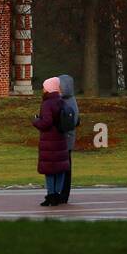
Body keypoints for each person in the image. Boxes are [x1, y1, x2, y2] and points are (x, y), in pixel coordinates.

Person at [32, 76, 70, 207]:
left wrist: (36, 121)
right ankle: (57, 194)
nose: (43, 89)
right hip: (61, 140)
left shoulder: (47, 103)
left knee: (49, 170)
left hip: (49, 141)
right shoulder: (62, 101)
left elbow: (46, 122)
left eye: (44, 87)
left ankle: (51, 195)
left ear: (48, 88)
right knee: (59, 169)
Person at [57, 74, 79, 204]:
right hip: (65, 139)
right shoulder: (66, 100)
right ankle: (61, 192)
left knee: (66, 168)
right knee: (64, 167)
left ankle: (63, 194)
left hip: (66, 139)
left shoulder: (69, 101)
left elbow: (74, 120)